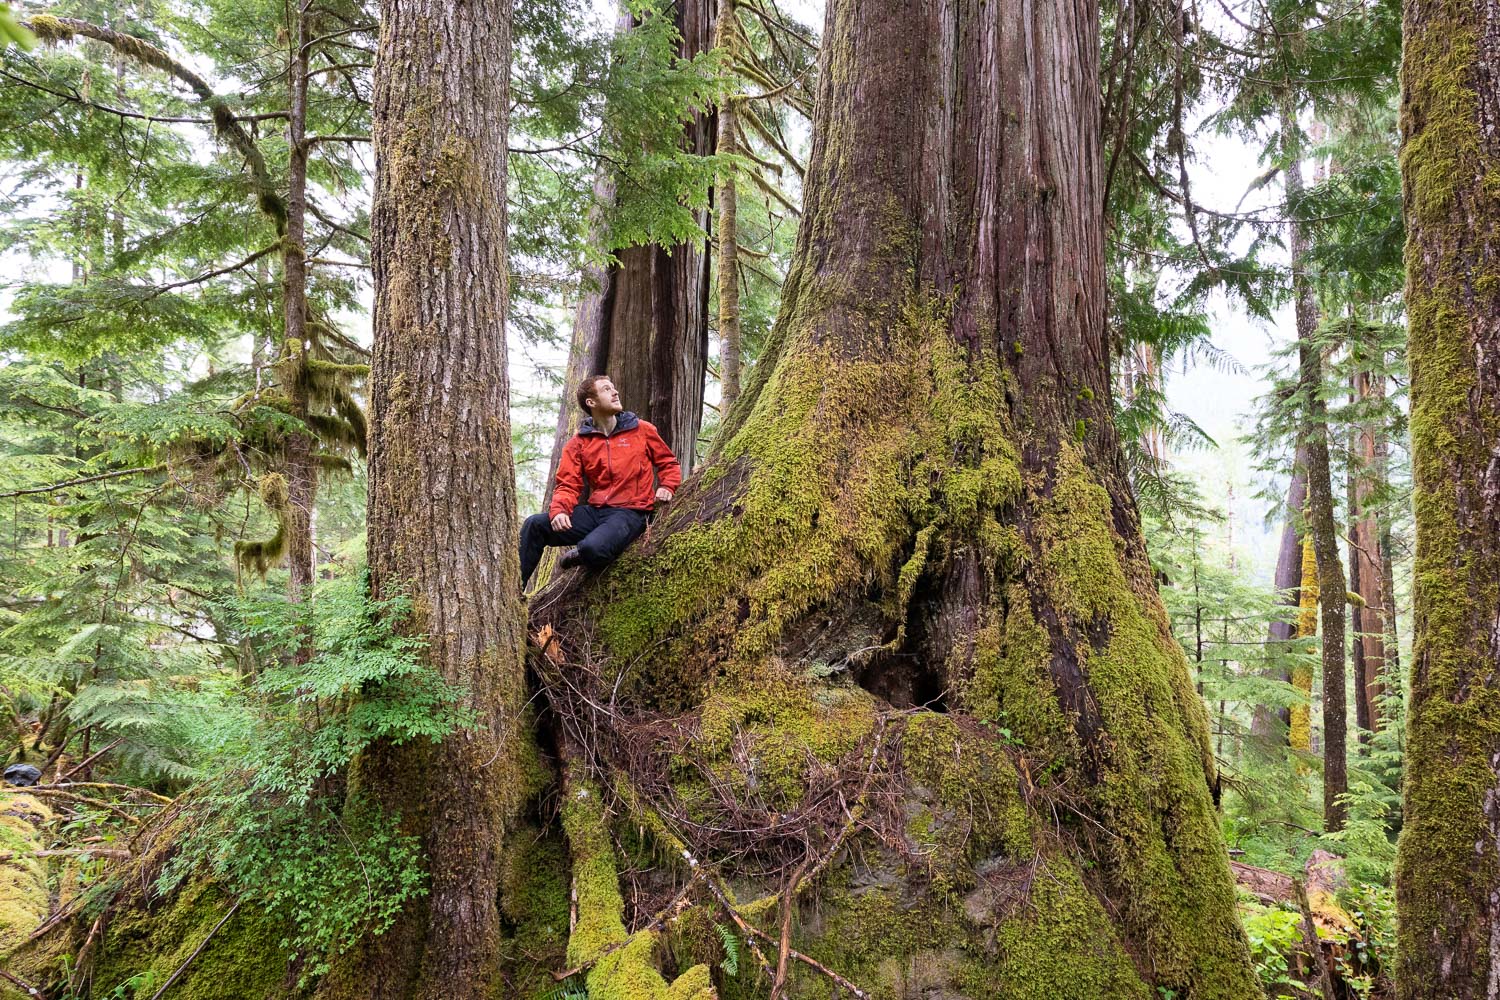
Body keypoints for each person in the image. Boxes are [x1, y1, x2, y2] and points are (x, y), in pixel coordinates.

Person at [520, 375, 682, 590]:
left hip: (631, 512)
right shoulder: (578, 442)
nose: (615, 392)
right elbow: (568, 484)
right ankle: (512, 595)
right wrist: (559, 511)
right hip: (595, 512)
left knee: (592, 549)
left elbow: (668, 463)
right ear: (591, 402)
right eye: (607, 389)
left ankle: (581, 553)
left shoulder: (642, 430)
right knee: (535, 525)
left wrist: (667, 486)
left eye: (614, 388)